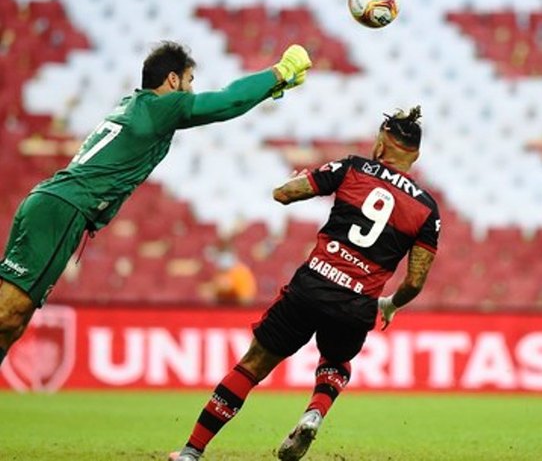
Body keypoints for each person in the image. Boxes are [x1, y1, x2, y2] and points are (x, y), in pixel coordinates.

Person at [0, 41, 312, 366]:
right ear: (173, 80)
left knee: (13, 322)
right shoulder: (160, 107)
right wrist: (280, 72)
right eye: (190, 82)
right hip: (63, 209)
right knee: (9, 313)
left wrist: (277, 88)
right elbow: (227, 101)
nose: (190, 92)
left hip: (49, 203)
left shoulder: (134, 105)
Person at [168, 106, 440, 461]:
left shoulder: (353, 167)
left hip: (311, 287)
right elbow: (416, 281)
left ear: (381, 142)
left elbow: (283, 194)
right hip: (357, 303)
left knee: (252, 366)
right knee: (337, 361)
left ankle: (191, 452)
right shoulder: (427, 209)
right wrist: (389, 304)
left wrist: (294, 179)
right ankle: (315, 412)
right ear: (415, 155)